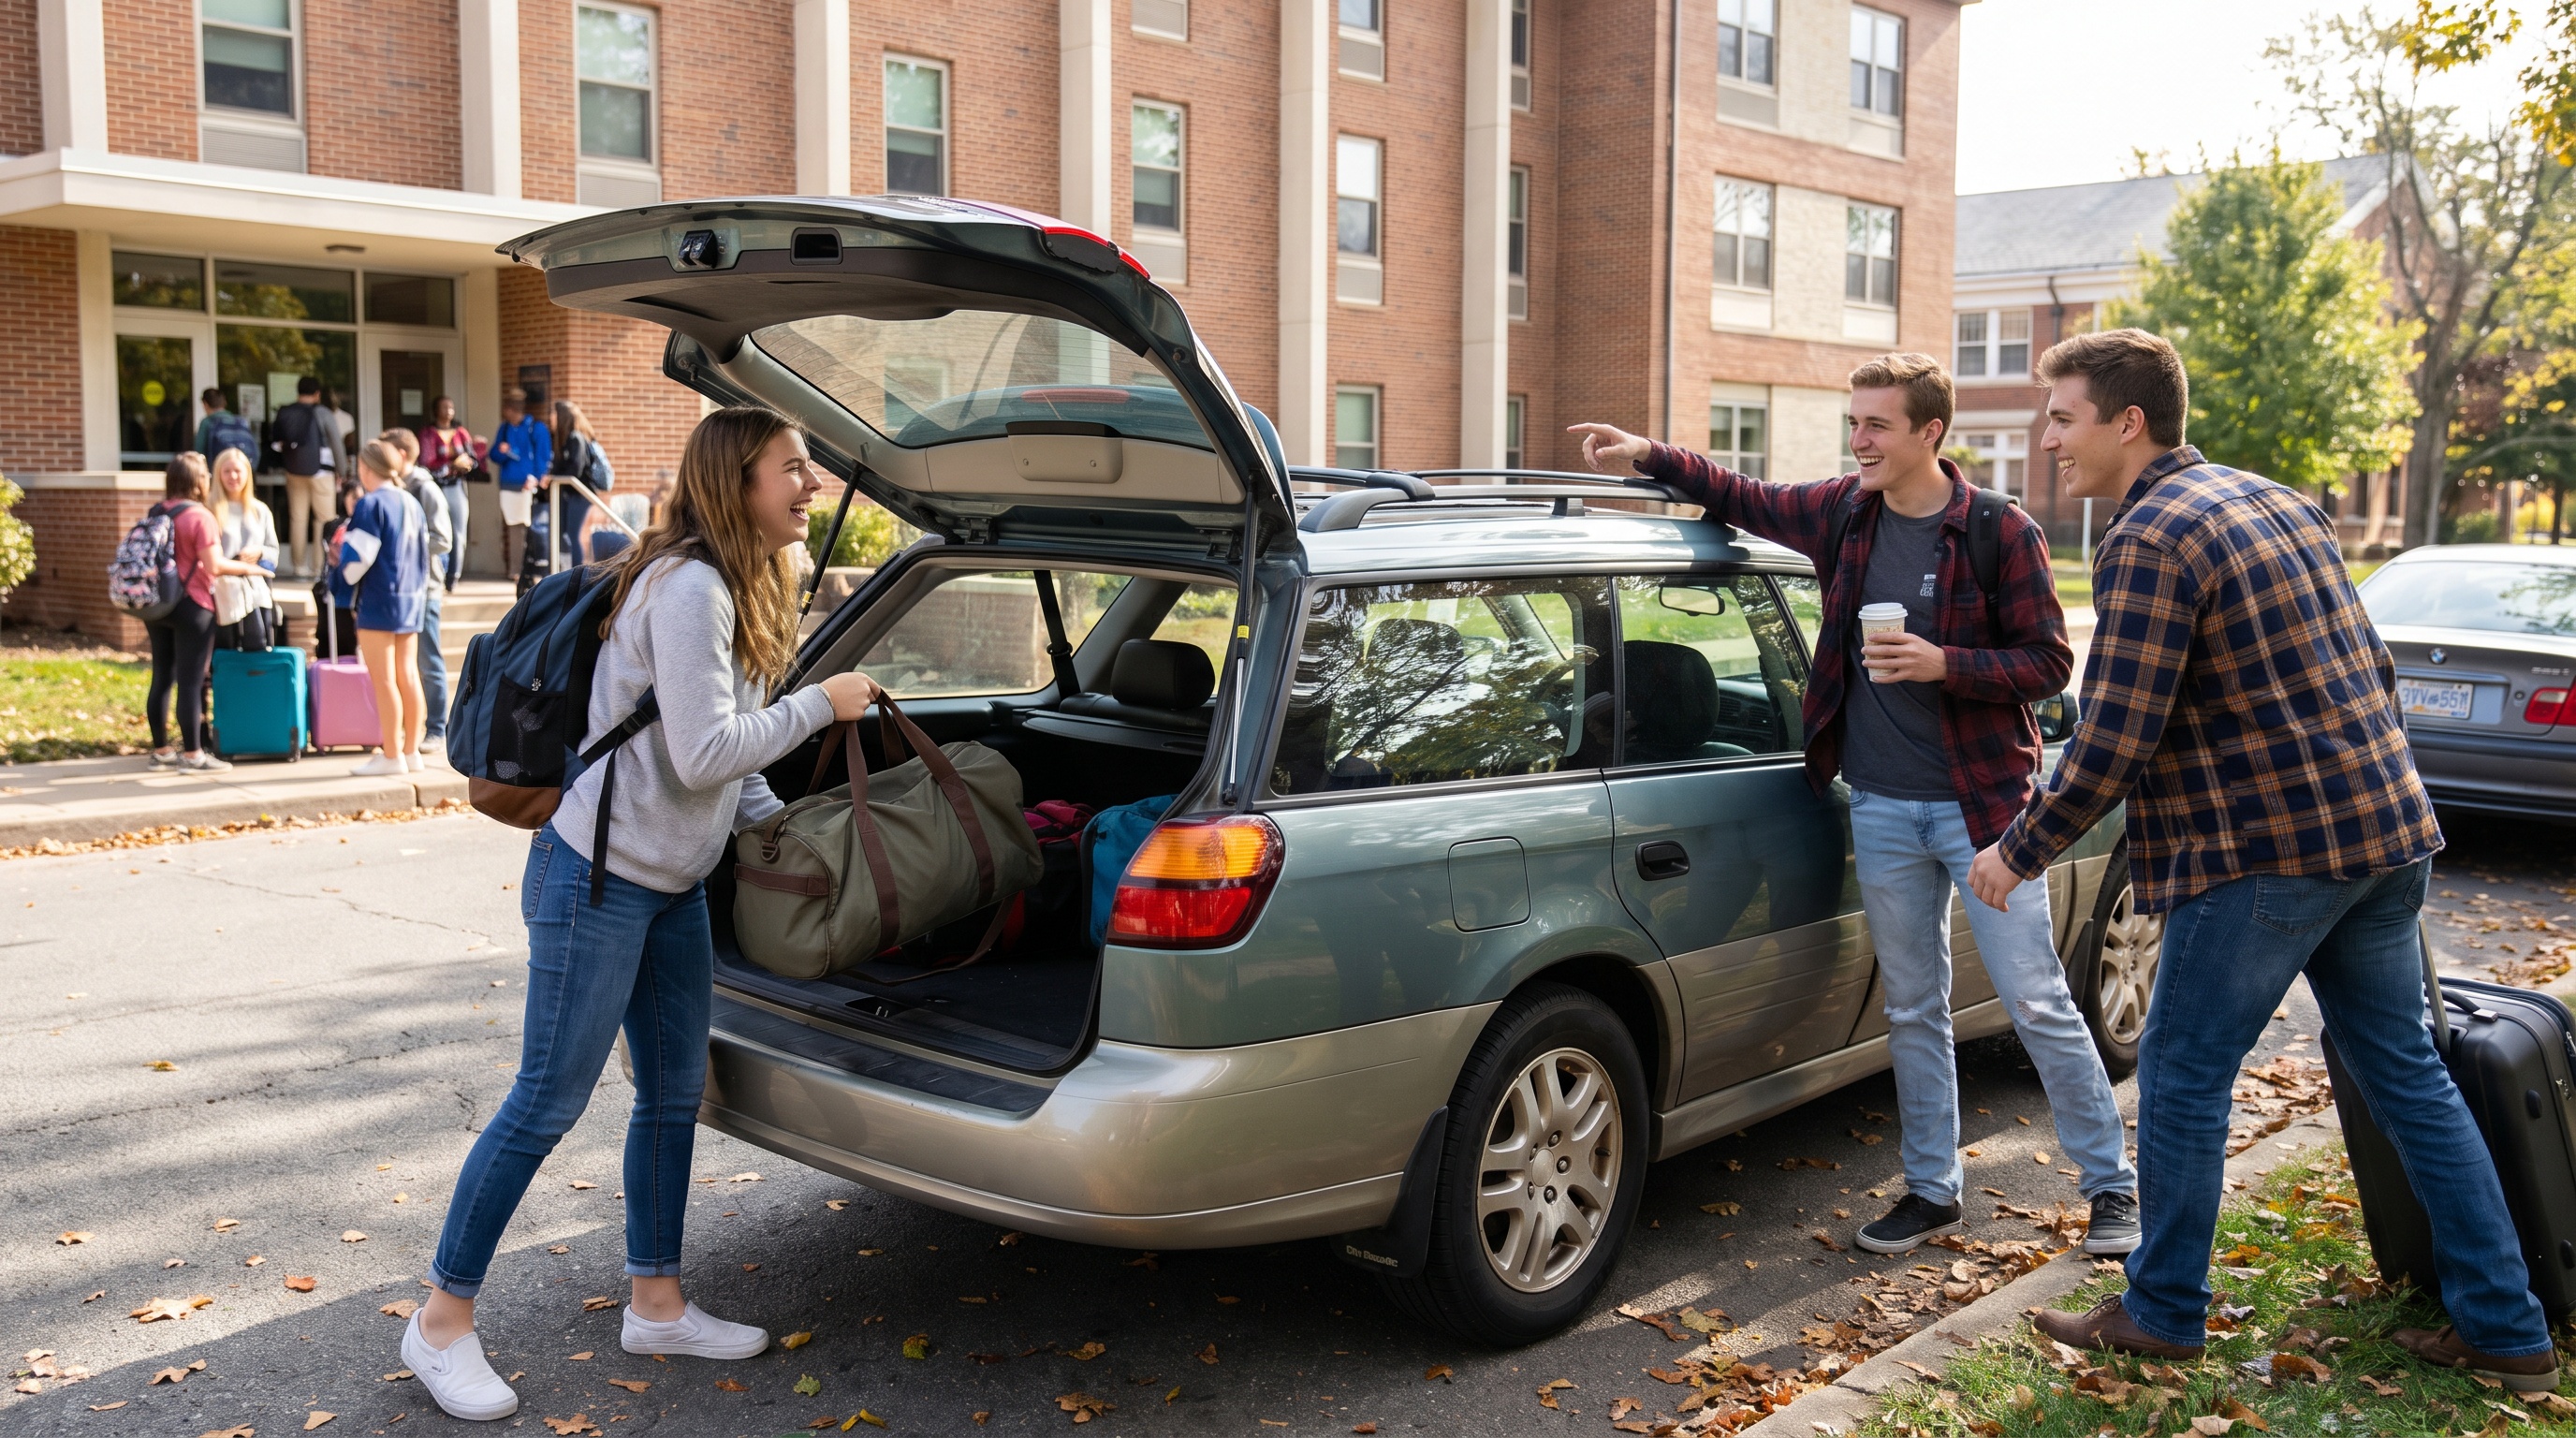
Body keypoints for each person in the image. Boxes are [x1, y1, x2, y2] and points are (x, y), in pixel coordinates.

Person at [1968, 330, 2559, 1387]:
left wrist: (2020, 850)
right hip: (2384, 831)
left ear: (2127, 420)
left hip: (2270, 855)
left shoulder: (2147, 537)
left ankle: (2162, 1311)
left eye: (2060, 417)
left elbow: (2115, 735)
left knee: (2185, 1075)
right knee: (2407, 1075)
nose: (2045, 437)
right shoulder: (2276, 499)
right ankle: (2507, 1333)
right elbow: (2369, 665)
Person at [1569, 352, 2140, 1259]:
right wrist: (1646, 453)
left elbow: (2046, 664)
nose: (1858, 439)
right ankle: (1930, 1189)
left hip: (1983, 810)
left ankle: (2111, 1188)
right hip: (1878, 807)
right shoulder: (1845, 514)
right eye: (1854, 421)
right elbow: (1742, 492)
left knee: (2035, 1000)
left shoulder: (1999, 531)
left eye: (1876, 424)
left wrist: (1944, 663)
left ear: (1929, 434)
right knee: (1912, 1004)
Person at [404, 406, 882, 1422]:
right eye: (789, 468)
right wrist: (822, 705)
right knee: (545, 1100)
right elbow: (705, 749)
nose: (809, 484)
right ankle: (440, 1321)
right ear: (736, 480)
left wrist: (785, 830)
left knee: (671, 1094)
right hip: (596, 880)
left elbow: (719, 764)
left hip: (672, 886)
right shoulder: (691, 586)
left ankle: (657, 1303)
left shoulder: (744, 582)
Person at [140, 453, 260, 773]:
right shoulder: (200, 516)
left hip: (158, 604)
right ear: (198, 482)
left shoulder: (157, 511)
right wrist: (253, 570)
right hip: (193, 605)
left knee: (162, 676)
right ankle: (193, 754)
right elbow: (214, 565)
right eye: (205, 475)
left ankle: (162, 750)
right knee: (191, 683)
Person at [339, 440, 431, 777]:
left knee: (384, 680)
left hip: (380, 599)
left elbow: (357, 560)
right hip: (411, 597)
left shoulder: (371, 503)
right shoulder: (412, 502)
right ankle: (411, 751)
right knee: (408, 675)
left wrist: (341, 578)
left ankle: (391, 754)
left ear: (365, 468)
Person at [383, 428, 456, 756]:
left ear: (400, 454)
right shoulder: (394, 487)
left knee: (428, 659)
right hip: (399, 586)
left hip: (424, 587)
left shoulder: (425, 488)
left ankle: (437, 728)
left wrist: (402, 548)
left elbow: (443, 539)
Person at [209, 447, 280, 651]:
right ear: (218, 474)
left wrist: (260, 552)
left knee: (257, 645)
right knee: (226, 650)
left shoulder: (260, 510)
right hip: (222, 589)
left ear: (247, 473)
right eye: (226, 471)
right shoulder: (210, 508)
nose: (233, 476)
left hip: (256, 590)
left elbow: (273, 553)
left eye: (238, 471)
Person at [271, 376, 342, 578]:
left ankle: (298, 566)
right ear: (317, 393)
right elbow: (336, 443)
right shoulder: (322, 412)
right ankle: (319, 567)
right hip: (321, 472)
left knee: (298, 518)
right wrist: (342, 471)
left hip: (293, 470)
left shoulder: (286, 411)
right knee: (323, 520)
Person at [489, 388, 551, 581]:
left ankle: (534, 569)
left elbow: (543, 457)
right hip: (509, 485)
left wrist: (537, 478)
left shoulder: (536, 427)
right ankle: (516, 571)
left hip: (530, 487)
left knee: (533, 529)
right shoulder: (505, 428)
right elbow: (494, 455)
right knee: (514, 530)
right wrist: (503, 451)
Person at [419, 397, 482, 591]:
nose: (449, 411)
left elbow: (474, 460)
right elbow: (426, 463)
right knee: (437, 531)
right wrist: (452, 465)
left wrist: (467, 463)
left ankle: (453, 577)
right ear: (435, 410)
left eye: (452, 407)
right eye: (444, 407)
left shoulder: (461, 433)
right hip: (435, 487)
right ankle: (437, 574)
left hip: (456, 487)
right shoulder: (428, 434)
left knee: (458, 532)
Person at [548, 399, 614, 569]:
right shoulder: (564, 439)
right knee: (565, 534)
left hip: (581, 495)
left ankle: (576, 575)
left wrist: (553, 477)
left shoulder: (577, 438)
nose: (550, 417)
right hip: (570, 495)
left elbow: (575, 469)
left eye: (553, 414)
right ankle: (565, 572)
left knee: (574, 536)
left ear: (562, 416)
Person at [194, 388, 256, 462]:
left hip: (218, 470)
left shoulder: (207, 423)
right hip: (242, 469)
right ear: (224, 403)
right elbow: (255, 450)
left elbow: (199, 452)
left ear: (205, 404)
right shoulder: (241, 422)